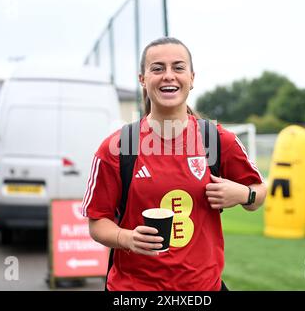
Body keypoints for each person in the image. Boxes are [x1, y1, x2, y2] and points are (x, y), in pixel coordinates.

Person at [81, 37, 267, 291]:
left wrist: (245, 194)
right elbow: (97, 221)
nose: (168, 75)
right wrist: (126, 238)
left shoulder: (217, 140)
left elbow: (259, 192)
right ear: (142, 80)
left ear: (191, 78)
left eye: (178, 68)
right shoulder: (117, 147)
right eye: (157, 68)